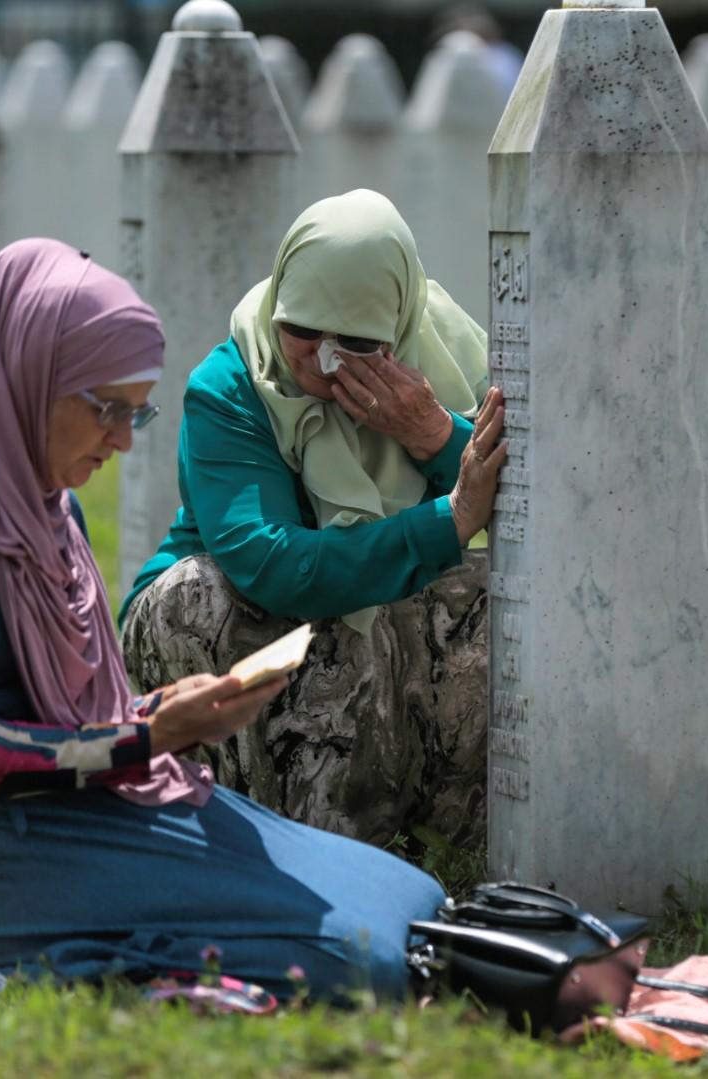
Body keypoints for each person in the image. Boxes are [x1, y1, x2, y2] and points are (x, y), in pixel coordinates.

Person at [0, 238, 445, 998]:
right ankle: (38, 961)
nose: (122, 441)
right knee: (365, 962)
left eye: (137, 413)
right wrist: (147, 736)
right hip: (2, 859)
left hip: (102, 801)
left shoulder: (45, 511)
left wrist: (165, 714)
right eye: (105, 411)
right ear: (28, 381)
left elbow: (66, 711)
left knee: (407, 895)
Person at [118, 190, 508, 846]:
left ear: (400, 320)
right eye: (301, 330)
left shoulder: (448, 364)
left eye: (354, 339)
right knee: (196, 595)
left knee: (496, 598)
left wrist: (435, 437)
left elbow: (538, 512)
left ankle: (432, 825)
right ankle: (255, 834)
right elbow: (269, 563)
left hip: (382, 626)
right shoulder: (232, 384)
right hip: (246, 629)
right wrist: (445, 520)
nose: (324, 359)